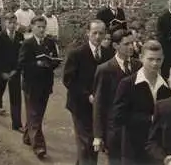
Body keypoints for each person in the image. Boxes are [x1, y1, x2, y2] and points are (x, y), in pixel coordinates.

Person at [109, 40, 171, 165]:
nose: (155, 63)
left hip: (159, 151)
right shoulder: (127, 84)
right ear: (141, 58)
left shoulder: (167, 85)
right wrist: (151, 118)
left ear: (163, 59)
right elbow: (118, 117)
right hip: (134, 149)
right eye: (151, 59)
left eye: (158, 59)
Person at [63, 20, 114, 165]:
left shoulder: (108, 53)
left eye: (101, 33)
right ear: (88, 33)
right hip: (80, 105)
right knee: (86, 142)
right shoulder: (77, 54)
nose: (98, 37)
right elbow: (68, 80)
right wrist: (87, 95)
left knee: (94, 142)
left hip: (99, 107)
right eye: (94, 33)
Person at [92, 29, 142, 165]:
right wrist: (98, 135)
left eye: (133, 43)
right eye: (126, 44)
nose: (131, 47)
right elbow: (99, 103)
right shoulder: (105, 69)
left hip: (136, 129)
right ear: (115, 46)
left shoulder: (139, 66)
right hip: (114, 130)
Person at [19, 16, 61, 159]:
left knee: (38, 114)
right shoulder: (27, 44)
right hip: (31, 85)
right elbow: (22, 64)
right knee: (35, 115)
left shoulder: (50, 42)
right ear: (32, 27)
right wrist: (36, 65)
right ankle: (39, 146)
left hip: (45, 84)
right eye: (39, 26)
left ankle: (27, 135)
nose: (42, 29)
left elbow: (56, 60)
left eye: (44, 26)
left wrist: (52, 63)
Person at [0, 12, 24, 131]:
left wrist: (16, 70)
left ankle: (17, 124)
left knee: (16, 97)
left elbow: (21, 55)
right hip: (2, 72)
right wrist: (1, 72)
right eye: (9, 23)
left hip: (14, 72)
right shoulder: (0, 36)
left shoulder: (19, 36)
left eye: (14, 23)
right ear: (5, 23)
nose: (12, 25)